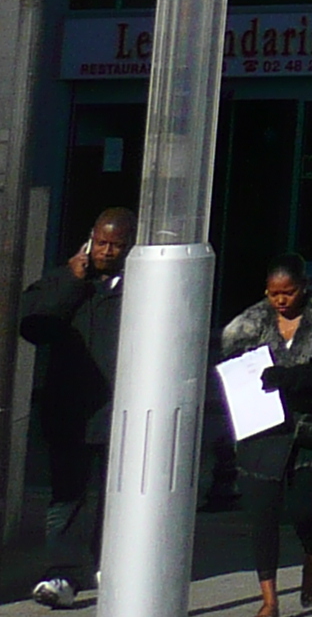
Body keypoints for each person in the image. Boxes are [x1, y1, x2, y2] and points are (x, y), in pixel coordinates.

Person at [217, 254, 312, 617]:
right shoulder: (248, 325)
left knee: (303, 509)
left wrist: (299, 376)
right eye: (274, 294)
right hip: (262, 430)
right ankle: (269, 600)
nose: (281, 300)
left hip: (308, 427)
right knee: (262, 515)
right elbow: (235, 370)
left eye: (289, 292)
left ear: (303, 288)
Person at [20, 206, 133, 610]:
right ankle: (62, 573)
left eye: (117, 245)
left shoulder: (139, 289)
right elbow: (32, 323)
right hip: (69, 408)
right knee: (67, 496)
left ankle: (111, 566)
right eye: (101, 243)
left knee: (116, 496)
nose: (107, 252)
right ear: (89, 239)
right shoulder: (66, 278)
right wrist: (73, 279)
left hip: (120, 410)